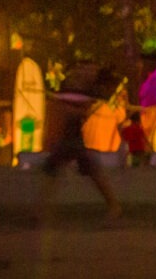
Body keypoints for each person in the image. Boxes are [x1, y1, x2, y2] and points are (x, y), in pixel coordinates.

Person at [39, 64, 120, 216]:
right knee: (89, 171)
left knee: (56, 170)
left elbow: (78, 111)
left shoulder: (81, 85)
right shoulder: (86, 85)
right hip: (71, 136)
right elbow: (80, 110)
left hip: (71, 137)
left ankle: (42, 209)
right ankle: (113, 206)